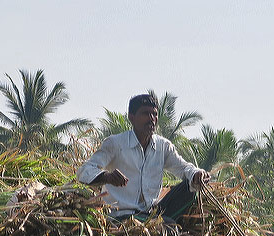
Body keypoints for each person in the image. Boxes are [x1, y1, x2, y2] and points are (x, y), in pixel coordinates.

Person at [77, 93, 210, 221]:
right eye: (146, 113)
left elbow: (183, 167)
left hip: (152, 214)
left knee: (190, 185)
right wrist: (107, 177)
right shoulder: (116, 143)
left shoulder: (163, 146)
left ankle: (166, 222)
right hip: (123, 215)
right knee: (168, 225)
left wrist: (197, 174)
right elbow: (84, 171)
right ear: (132, 117)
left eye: (155, 114)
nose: (152, 118)